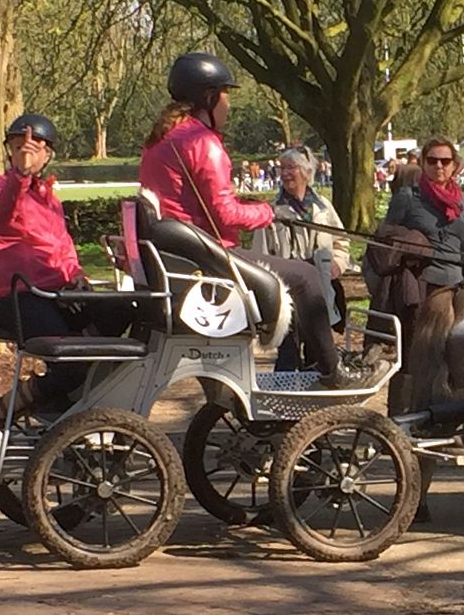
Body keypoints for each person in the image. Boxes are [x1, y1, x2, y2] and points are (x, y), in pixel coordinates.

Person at [138, 52, 385, 389]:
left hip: (185, 257)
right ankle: (333, 371)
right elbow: (225, 214)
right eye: (226, 95)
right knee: (307, 276)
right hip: (207, 259)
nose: (229, 105)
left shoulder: (161, 141)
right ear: (208, 97)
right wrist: (269, 212)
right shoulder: (202, 142)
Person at [0, 113, 131, 445]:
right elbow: (1, 213)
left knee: (126, 311)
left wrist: (78, 277)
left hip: (59, 294)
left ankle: (77, 388)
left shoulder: (49, 198)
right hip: (20, 298)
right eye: (18, 146)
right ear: (9, 151)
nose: (26, 152)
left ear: (48, 154)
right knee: (69, 364)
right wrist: (19, 175)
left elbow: (63, 248)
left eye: (34, 148)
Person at [365, 136, 464, 412]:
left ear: (455, 166)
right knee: (413, 359)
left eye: (445, 161)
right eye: (432, 160)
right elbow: (384, 242)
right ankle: (399, 419)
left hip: (456, 290)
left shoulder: (460, 202)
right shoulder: (407, 198)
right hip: (420, 290)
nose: (439, 166)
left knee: (448, 360)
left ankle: (437, 420)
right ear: (423, 163)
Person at [252, 145, 352, 370]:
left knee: (318, 349)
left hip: (318, 286)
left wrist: (337, 263)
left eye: (291, 168)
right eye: (282, 168)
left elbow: (342, 241)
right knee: (287, 351)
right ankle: (283, 399)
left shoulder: (323, 207)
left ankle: (319, 396)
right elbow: (259, 255)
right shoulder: (271, 211)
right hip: (286, 290)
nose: (285, 173)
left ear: (307, 172)